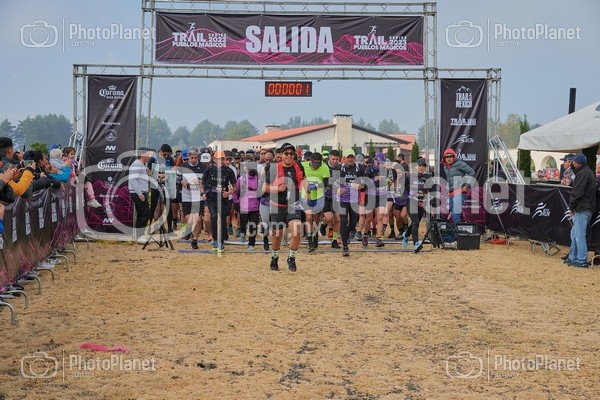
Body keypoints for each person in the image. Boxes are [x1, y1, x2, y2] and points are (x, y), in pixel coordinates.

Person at [263, 143, 305, 272]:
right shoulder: (274, 169)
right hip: (277, 206)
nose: (289, 156)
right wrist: (277, 188)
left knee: (297, 231)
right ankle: (274, 257)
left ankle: (291, 258)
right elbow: (264, 187)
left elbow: (303, 180)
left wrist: (308, 189)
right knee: (277, 235)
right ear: (280, 155)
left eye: (291, 153)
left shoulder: (298, 166)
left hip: (293, 205)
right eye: (286, 153)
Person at [564, 153, 596, 268]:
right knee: (574, 234)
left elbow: (578, 192)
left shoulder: (582, 173)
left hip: (582, 207)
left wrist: (571, 206)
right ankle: (573, 257)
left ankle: (581, 260)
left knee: (579, 235)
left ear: (577, 163)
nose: (572, 163)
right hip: (585, 207)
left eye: (573, 162)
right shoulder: (586, 172)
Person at [202, 150, 237, 253]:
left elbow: (235, 187)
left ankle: (221, 242)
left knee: (222, 219)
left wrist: (229, 193)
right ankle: (215, 240)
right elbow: (202, 182)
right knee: (214, 217)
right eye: (218, 159)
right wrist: (203, 193)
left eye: (222, 159)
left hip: (223, 199)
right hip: (212, 198)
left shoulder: (229, 171)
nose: (220, 161)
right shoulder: (209, 170)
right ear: (214, 159)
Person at [334, 148, 364, 256]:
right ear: (344, 158)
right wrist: (337, 189)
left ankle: (346, 235)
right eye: (348, 157)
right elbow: (332, 182)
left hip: (354, 199)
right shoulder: (339, 168)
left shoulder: (359, 168)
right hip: (343, 198)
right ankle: (345, 247)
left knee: (353, 223)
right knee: (343, 220)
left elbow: (365, 181)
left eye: (352, 157)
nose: (350, 159)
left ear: (354, 158)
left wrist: (361, 185)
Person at [301, 152, 330, 252]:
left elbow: (326, 183)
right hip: (306, 195)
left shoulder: (324, 167)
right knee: (309, 218)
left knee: (316, 219)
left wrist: (316, 186)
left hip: (318, 196)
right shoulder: (303, 165)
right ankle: (310, 240)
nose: (316, 166)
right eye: (314, 164)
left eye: (318, 164)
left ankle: (315, 235)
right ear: (311, 161)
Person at [178, 147, 205, 249]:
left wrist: (201, 182)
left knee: (198, 220)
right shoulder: (183, 166)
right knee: (190, 219)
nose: (193, 160)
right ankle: (188, 229)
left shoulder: (203, 167)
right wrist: (182, 182)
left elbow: (206, 181)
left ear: (198, 157)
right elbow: (176, 179)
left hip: (198, 196)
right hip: (187, 196)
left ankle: (195, 239)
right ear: (188, 157)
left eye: (195, 158)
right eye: (191, 158)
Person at [403, 158, 432, 250]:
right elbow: (403, 189)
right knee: (415, 222)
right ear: (416, 166)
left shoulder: (428, 177)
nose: (422, 168)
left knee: (416, 222)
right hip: (411, 201)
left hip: (421, 203)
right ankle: (416, 244)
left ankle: (406, 234)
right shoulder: (409, 176)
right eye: (420, 166)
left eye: (423, 166)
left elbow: (431, 189)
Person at [441, 148, 475, 226]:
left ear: (454, 157)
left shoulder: (459, 163)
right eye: (447, 157)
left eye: (450, 156)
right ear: (444, 158)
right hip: (451, 193)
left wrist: (467, 185)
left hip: (459, 192)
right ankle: (457, 231)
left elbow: (472, 172)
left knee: (455, 214)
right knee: (453, 214)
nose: (449, 158)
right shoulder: (445, 167)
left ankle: (457, 232)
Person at [236, 160, 260, 250]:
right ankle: (243, 233)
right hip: (244, 206)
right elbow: (235, 192)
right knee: (243, 224)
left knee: (253, 226)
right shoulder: (241, 179)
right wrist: (236, 202)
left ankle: (251, 243)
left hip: (255, 207)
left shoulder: (259, 180)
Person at [128, 147, 151, 242]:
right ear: (142, 154)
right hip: (138, 193)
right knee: (146, 214)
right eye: (147, 154)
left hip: (139, 192)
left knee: (141, 214)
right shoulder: (137, 164)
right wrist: (140, 194)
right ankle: (140, 236)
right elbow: (133, 180)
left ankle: (138, 236)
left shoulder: (140, 164)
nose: (149, 156)